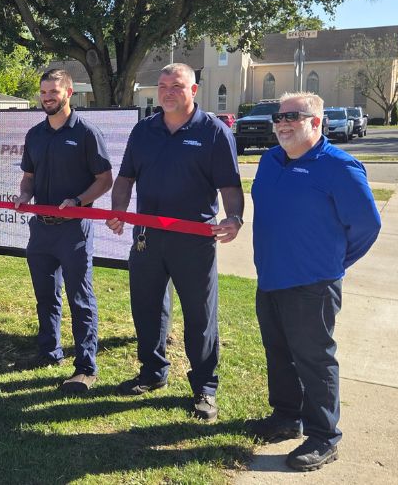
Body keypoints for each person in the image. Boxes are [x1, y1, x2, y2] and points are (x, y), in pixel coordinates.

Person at [247, 92, 381, 471]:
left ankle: (324, 436)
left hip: (313, 283)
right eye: (278, 117)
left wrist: (332, 262)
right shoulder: (270, 160)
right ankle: (286, 416)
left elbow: (368, 226)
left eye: (293, 116)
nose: (282, 123)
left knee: (314, 358)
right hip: (270, 276)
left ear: (316, 122)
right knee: (278, 351)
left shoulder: (339, 166)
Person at [106, 63, 243, 421]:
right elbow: (125, 179)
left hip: (194, 240)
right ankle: (152, 372)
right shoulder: (144, 131)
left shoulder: (213, 131)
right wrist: (118, 210)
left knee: (199, 314)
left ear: (193, 90)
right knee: (147, 308)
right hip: (146, 238)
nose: (168, 91)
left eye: (176, 86)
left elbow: (230, 184)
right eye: (163, 85)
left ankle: (204, 388)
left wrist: (234, 218)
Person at [14, 69, 113, 393]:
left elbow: (105, 179)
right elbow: (28, 176)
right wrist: (24, 196)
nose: (47, 97)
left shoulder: (85, 132)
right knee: (46, 297)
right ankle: (49, 352)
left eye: (53, 92)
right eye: (43, 92)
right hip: (41, 231)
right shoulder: (35, 134)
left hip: (74, 232)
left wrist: (80, 201)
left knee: (80, 299)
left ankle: (86, 367)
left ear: (69, 93)